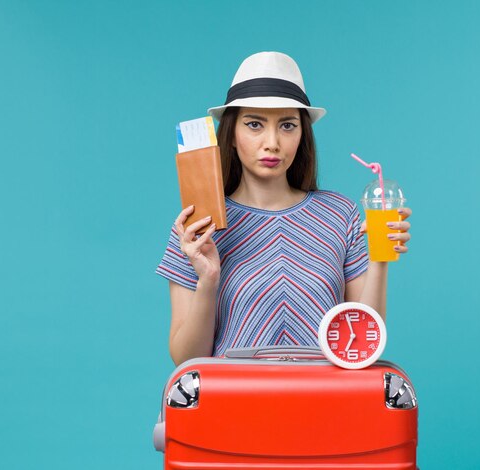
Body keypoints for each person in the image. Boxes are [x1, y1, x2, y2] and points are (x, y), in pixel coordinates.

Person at [156, 52, 412, 364]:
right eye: (254, 124)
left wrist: (379, 259)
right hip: (233, 405)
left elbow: (363, 348)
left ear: (303, 134)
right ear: (232, 135)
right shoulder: (197, 227)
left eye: (288, 125)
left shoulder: (340, 214)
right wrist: (208, 279)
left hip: (324, 404)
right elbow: (186, 359)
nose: (272, 142)